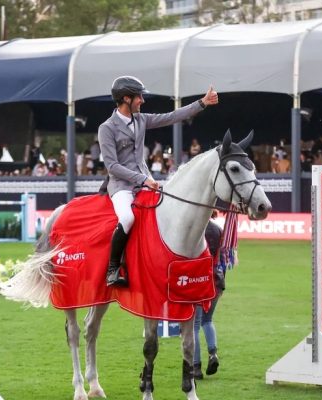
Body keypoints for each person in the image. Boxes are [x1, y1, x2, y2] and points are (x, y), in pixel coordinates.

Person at [99, 76, 218, 286]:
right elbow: (112, 167)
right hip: (121, 186)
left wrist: (202, 103)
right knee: (127, 218)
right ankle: (113, 269)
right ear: (126, 98)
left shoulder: (141, 119)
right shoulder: (107, 128)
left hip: (146, 181)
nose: (142, 101)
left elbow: (172, 116)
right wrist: (143, 179)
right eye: (139, 97)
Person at [193, 211, 225, 379]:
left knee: (194, 326)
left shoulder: (195, 230)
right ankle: (213, 354)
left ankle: (196, 367)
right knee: (208, 320)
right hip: (216, 281)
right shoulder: (217, 230)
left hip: (199, 281)